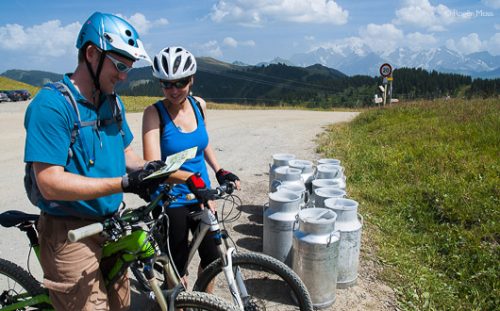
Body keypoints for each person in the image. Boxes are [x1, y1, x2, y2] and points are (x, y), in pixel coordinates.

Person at [23, 13, 206, 310]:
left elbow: (126, 155)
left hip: (110, 224)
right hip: (71, 233)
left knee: (121, 305)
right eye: (119, 65)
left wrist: (149, 172)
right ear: (91, 53)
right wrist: (122, 183)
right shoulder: (52, 105)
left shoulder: (112, 102)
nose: (124, 76)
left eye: (129, 68)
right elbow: (49, 183)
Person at [142, 46, 241, 288]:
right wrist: (188, 179)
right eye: (167, 84)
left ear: (191, 79)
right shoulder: (154, 113)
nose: (174, 90)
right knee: (176, 268)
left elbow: (202, 143)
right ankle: (177, 301)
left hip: (201, 193)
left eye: (180, 83)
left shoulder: (199, 105)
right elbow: (153, 167)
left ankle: (205, 302)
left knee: (212, 260)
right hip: (170, 199)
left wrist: (219, 170)